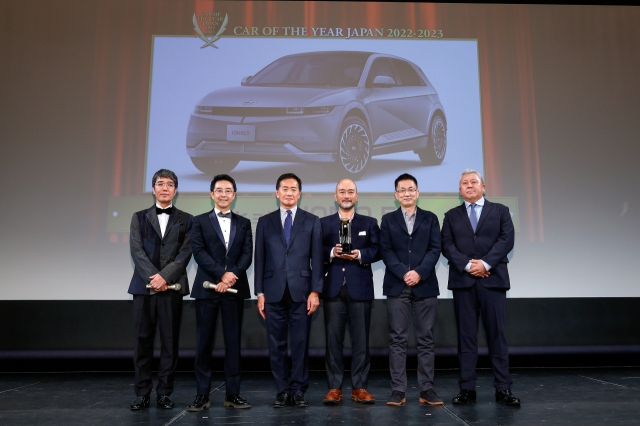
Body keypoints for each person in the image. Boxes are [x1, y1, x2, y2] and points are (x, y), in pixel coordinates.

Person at [441, 169, 520, 405]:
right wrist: (468, 266)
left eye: (473, 182)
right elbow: (447, 245)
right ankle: (467, 390)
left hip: (492, 281)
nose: (469, 186)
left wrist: (485, 263)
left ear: (483, 186)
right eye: (464, 183)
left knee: (497, 336)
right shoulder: (451, 215)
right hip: (463, 283)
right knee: (466, 339)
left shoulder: (500, 211)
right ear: (460, 189)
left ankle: (503, 389)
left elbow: (507, 239)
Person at [254, 173, 323, 408]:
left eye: (294, 188)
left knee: (301, 344)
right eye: (285, 188)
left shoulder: (312, 221)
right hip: (272, 292)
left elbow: (318, 260)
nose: (289, 192)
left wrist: (315, 291)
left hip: (302, 293)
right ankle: (282, 390)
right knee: (276, 344)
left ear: (299, 194)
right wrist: (260, 293)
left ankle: (299, 390)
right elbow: (259, 259)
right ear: (277, 192)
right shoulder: (265, 222)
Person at [128, 169, 193, 410]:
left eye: (169, 184)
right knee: (142, 342)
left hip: (172, 288)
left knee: (169, 342)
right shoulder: (139, 217)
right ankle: (142, 392)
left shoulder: (187, 219)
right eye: (160, 183)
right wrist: (153, 278)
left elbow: (185, 253)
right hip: (143, 288)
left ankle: (164, 392)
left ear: (176, 190)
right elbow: (137, 251)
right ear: (153, 188)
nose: (165, 188)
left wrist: (165, 277)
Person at [187, 175, 253, 412]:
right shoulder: (198, 221)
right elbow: (199, 252)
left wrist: (231, 275)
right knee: (204, 343)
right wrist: (221, 275)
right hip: (207, 289)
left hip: (234, 290)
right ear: (211, 194)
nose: (223, 194)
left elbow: (247, 254)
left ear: (234, 195)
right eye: (219, 190)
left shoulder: (244, 223)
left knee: (233, 343)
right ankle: (201, 395)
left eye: (228, 190)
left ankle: (233, 394)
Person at [379, 173, 443, 407]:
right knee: (397, 340)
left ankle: (427, 389)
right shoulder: (387, 220)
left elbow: (435, 249)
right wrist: (403, 273)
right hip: (397, 286)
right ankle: (398, 390)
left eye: (411, 189)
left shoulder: (430, 218)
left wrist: (419, 272)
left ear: (417, 192)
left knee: (426, 340)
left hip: (425, 285)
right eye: (402, 190)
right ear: (396, 195)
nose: (407, 193)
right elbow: (385, 251)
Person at [320, 179, 381, 405]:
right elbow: (315, 251)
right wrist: (331, 253)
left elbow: (378, 250)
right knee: (333, 340)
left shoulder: (370, 222)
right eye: (342, 191)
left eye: (351, 191)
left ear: (357, 196)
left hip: (360, 288)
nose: (346, 195)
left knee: (361, 341)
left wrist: (360, 254)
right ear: (335, 196)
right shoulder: (323, 224)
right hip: (332, 287)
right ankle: (334, 388)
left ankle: (360, 387)